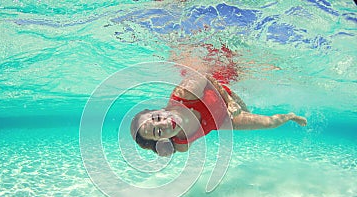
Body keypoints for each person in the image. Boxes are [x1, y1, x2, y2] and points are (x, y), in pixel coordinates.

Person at [130, 45, 307, 156]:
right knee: (269, 123)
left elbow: (206, 77)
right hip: (223, 120)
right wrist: (162, 150)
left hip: (225, 94)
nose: (164, 126)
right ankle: (291, 116)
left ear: (158, 110)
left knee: (249, 106)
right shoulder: (181, 145)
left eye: (157, 119)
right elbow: (168, 149)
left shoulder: (183, 94)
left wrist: (230, 101)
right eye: (158, 133)